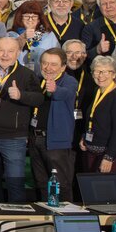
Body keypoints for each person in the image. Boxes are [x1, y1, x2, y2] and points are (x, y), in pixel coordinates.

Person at [0, 37, 43, 203]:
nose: (5, 55)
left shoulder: (27, 75)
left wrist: (21, 95)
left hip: (13, 138)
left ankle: (16, 223)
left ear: (18, 53)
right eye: (1, 50)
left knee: (15, 182)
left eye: (10, 51)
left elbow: (39, 99)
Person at [32, 50, 80, 194]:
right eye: (45, 63)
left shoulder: (69, 81)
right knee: (41, 184)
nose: (48, 68)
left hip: (56, 143)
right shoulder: (38, 80)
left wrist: (55, 90)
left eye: (53, 64)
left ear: (63, 67)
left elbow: (67, 93)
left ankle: (65, 216)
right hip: (36, 139)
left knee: (60, 185)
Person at [80, 57, 116, 173]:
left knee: (103, 190)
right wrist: (84, 137)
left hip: (111, 154)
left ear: (114, 74)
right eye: (97, 71)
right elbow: (94, 119)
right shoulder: (98, 91)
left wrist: (109, 157)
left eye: (105, 72)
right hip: (91, 151)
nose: (100, 75)